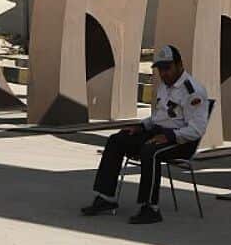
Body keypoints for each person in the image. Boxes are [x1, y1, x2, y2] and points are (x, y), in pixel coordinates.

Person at [81, 44, 209, 224]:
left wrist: (170, 137)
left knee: (150, 151)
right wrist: (141, 127)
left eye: (167, 68)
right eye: (160, 69)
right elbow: (158, 117)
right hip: (158, 133)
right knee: (117, 140)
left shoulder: (193, 91)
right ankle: (106, 198)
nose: (163, 73)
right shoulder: (165, 86)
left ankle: (150, 208)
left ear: (179, 65)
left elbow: (197, 129)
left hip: (182, 141)